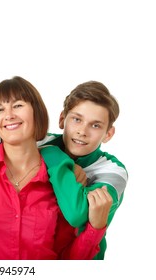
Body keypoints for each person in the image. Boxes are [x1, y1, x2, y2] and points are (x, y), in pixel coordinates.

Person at [0, 76, 112, 259]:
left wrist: (96, 228)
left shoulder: (61, 180)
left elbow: (68, 260)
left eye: (18, 106)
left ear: (37, 112)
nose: (9, 115)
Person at [38, 80, 128, 259]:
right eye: (77, 119)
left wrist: (53, 155)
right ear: (62, 119)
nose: (82, 131)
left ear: (108, 134)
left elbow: (76, 214)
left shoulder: (113, 171)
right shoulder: (40, 142)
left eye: (95, 125)